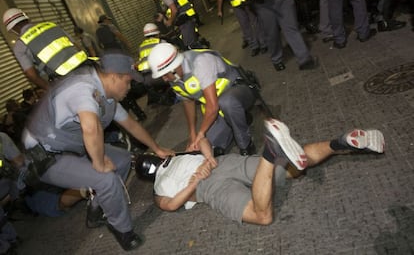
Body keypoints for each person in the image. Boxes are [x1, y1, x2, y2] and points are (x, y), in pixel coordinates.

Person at [21, 53, 174, 251]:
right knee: (105, 178)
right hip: (45, 156)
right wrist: (99, 162)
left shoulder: (107, 98)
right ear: (113, 77)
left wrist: (157, 148)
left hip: (73, 147)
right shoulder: (82, 88)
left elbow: (131, 125)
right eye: (127, 82)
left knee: (123, 159)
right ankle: (124, 231)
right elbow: (91, 128)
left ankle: (96, 209)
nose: (129, 88)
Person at [135, 118, 385, 225]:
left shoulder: (159, 188)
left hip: (207, 187)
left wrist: (194, 182)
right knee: (290, 170)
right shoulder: (178, 155)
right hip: (223, 162)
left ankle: (271, 151)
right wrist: (209, 159)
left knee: (262, 215)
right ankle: (338, 144)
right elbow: (201, 139)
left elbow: (170, 205)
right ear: (157, 158)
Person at [148, 43, 258, 155]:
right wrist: (192, 134)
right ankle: (239, 118)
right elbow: (187, 101)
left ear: (174, 68)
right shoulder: (174, 79)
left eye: (165, 75)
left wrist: (200, 133)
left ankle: (246, 144)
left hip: (240, 91)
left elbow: (213, 107)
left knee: (227, 103)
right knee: (205, 147)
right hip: (218, 107)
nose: (165, 79)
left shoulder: (200, 63)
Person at [2, 8, 88, 90]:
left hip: (64, 80)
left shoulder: (20, 45)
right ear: (27, 18)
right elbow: (77, 46)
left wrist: (50, 89)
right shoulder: (51, 25)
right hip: (84, 67)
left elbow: (31, 75)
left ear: (13, 29)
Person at [250, 0, 319, 71]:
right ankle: (276, 59)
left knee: (291, 28)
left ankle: (304, 59)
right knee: (271, 33)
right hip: (262, 2)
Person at [136, 23, 177, 106]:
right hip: (160, 77)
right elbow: (173, 54)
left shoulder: (141, 47)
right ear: (158, 33)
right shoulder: (160, 42)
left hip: (146, 80)